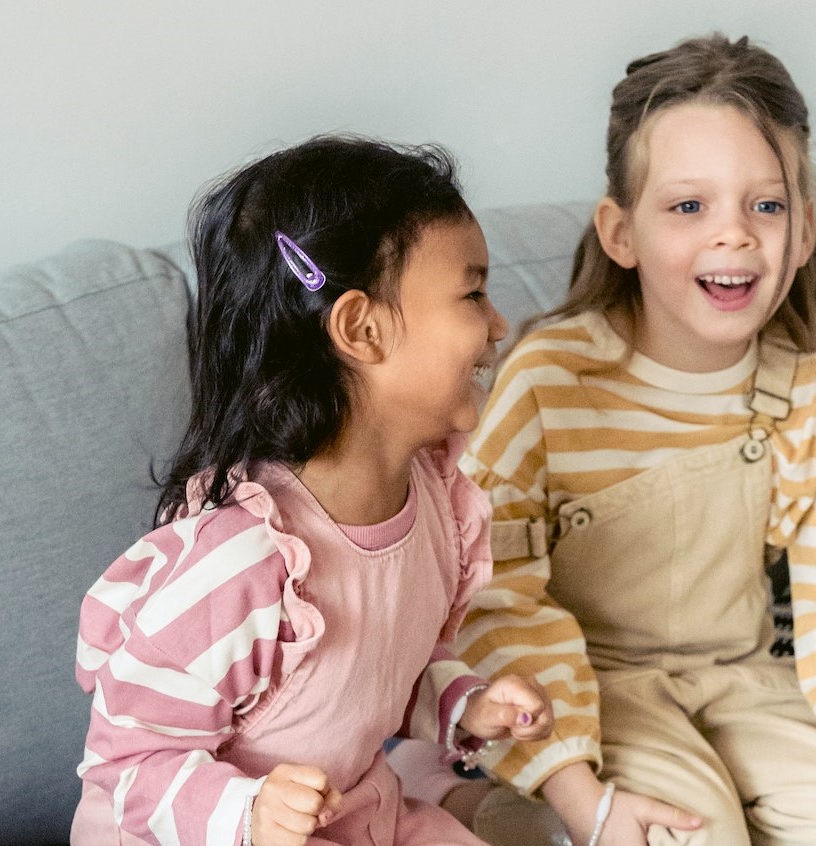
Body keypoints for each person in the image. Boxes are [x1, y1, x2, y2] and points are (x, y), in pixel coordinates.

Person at [425, 33, 816, 846]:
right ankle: (456, 805)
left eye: (765, 204)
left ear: (803, 231)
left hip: (742, 684)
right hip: (584, 690)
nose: (735, 236)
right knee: (687, 832)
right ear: (620, 233)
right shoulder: (550, 378)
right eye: (689, 206)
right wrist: (575, 785)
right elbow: (491, 590)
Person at [70, 135, 555, 846]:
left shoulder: (438, 508)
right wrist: (250, 811)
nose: (498, 323)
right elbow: (129, 762)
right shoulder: (242, 561)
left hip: (358, 810)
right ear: (361, 328)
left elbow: (380, 673)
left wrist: (464, 705)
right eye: (473, 293)